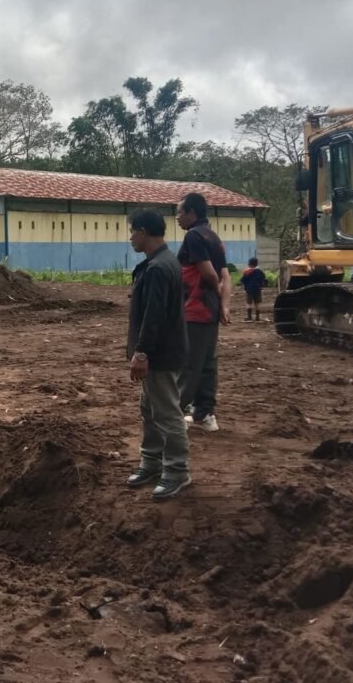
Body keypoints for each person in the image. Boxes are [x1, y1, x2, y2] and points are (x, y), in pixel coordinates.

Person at [126, 208, 191, 499]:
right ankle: (151, 461)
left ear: (143, 232)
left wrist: (142, 353)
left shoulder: (157, 268)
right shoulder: (165, 261)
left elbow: (154, 317)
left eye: (132, 232)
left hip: (159, 355)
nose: (130, 238)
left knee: (166, 413)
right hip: (162, 351)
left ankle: (177, 471)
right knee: (150, 409)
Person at [175, 193, 230, 433]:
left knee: (189, 364)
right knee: (207, 364)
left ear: (192, 213)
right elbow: (225, 275)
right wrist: (223, 305)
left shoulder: (193, 236)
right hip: (210, 311)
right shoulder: (213, 237)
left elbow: (209, 273)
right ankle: (204, 413)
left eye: (179, 212)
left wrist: (215, 294)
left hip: (195, 309)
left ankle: (175, 414)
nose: (177, 217)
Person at [240, 258, 268, 322]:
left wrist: (244, 286)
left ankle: (249, 317)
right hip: (258, 289)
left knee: (249, 303)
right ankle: (257, 317)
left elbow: (243, 280)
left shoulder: (247, 272)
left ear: (249, 264)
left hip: (249, 290)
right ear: (257, 264)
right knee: (257, 303)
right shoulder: (260, 271)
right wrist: (261, 285)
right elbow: (264, 279)